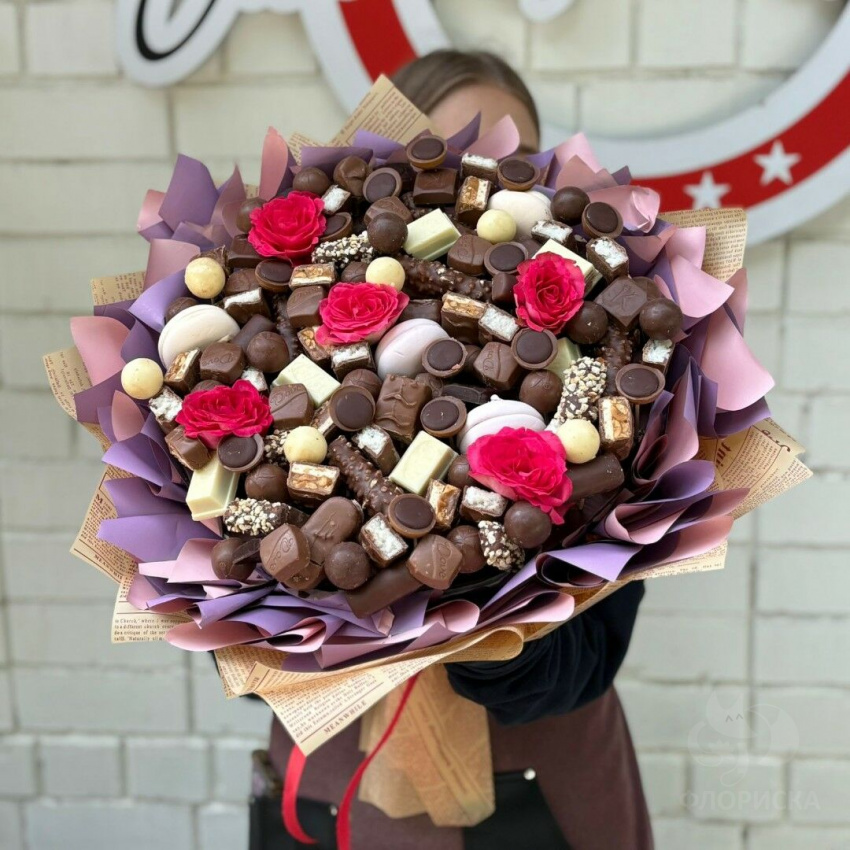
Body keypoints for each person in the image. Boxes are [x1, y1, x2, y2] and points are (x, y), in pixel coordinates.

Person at [250, 50, 652, 850]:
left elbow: (587, 658)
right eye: (442, 156)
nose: (476, 183)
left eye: (512, 160)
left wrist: (481, 618)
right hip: (335, 788)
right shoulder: (284, 354)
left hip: (545, 793)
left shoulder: (617, 383)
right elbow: (242, 655)